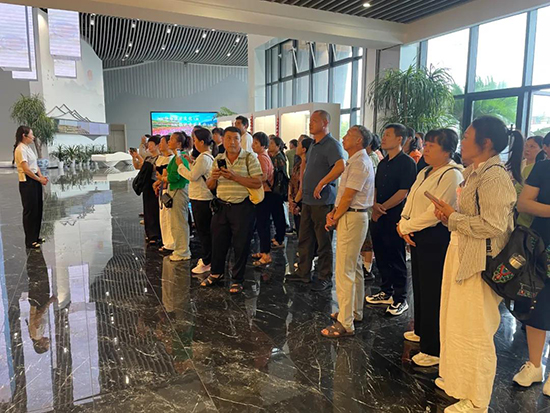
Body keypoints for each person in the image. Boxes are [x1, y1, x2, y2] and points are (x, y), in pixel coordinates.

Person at [432, 116, 523, 413]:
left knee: (476, 331)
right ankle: (459, 383)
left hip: (480, 264)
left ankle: (477, 400)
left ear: (486, 143)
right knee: (457, 324)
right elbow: (470, 218)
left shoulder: (494, 176)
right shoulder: (475, 172)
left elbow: (494, 225)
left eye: (467, 136)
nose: (463, 141)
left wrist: (454, 218)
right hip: (463, 254)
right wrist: (449, 218)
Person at [396, 129, 463, 367]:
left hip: (435, 236)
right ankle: (422, 331)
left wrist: (407, 226)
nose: (426, 149)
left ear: (447, 151)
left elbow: (434, 213)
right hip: (416, 233)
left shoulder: (452, 174)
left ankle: (433, 348)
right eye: (426, 145)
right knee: (420, 285)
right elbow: (411, 200)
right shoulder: (425, 170)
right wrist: (403, 222)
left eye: (432, 146)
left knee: (433, 290)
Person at [320, 126, 375, 338]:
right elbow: (345, 195)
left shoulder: (360, 162)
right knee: (355, 267)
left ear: (359, 140)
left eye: (348, 135)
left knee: (345, 270)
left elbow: (349, 196)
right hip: (351, 215)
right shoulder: (356, 160)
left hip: (352, 216)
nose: (343, 138)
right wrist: (334, 213)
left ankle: (346, 322)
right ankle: (353, 311)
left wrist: (334, 217)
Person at [286, 110, 345, 292]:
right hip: (308, 201)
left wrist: (323, 182)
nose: (310, 123)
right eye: (310, 120)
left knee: (323, 241)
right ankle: (303, 272)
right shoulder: (313, 145)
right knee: (305, 238)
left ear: (325, 123)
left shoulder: (332, 145)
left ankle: (324, 276)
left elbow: (340, 166)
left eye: (314, 120)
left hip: (323, 201)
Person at [202, 126, 263, 294]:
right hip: (221, 207)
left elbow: (258, 182)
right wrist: (214, 178)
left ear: (240, 140)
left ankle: (237, 279)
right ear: (223, 140)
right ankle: (216, 273)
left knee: (241, 244)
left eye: (236, 138)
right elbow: (209, 185)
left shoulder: (249, 157)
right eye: (228, 138)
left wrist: (234, 177)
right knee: (218, 242)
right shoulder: (218, 158)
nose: (232, 142)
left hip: (242, 208)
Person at [365, 123, 416, 316]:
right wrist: (374, 205)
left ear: (399, 139)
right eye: (383, 135)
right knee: (381, 255)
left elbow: (403, 192)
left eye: (388, 135)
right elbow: (376, 187)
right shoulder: (383, 162)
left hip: (394, 216)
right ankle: (386, 291)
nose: (383, 138)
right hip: (378, 215)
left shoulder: (407, 163)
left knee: (396, 257)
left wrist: (382, 208)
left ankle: (400, 298)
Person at [513, 159, 550, 397]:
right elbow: (523, 203)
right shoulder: (544, 167)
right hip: (541, 247)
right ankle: (535, 365)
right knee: (537, 304)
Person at [176, 128, 216, 274]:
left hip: (201, 199)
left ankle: (207, 261)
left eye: (195, 140)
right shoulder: (205, 157)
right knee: (204, 231)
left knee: (203, 232)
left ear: (202, 142)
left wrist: (180, 165)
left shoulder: (204, 158)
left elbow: (192, 176)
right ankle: (208, 259)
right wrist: (191, 161)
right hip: (201, 198)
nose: (193, 143)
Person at [14, 126, 48, 249]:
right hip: (27, 182)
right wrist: (39, 179)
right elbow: (26, 169)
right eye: (31, 135)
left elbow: (35, 165)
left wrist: (41, 176)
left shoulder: (28, 148)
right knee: (30, 211)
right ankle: (30, 241)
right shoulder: (20, 149)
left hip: (35, 179)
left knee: (37, 209)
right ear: (24, 136)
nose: (33, 137)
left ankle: (35, 236)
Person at [160, 132, 191, 261]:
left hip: (179, 191)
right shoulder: (177, 157)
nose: (169, 141)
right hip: (176, 191)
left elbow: (174, 177)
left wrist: (163, 178)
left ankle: (182, 251)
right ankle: (180, 249)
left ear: (178, 143)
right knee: (176, 222)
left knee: (179, 223)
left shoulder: (180, 157)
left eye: (171, 139)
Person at [131, 135, 163, 245]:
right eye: (148, 144)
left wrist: (139, 157)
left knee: (155, 210)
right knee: (148, 210)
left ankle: (156, 234)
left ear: (157, 145)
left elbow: (152, 167)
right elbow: (138, 166)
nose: (149, 146)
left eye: (151, 144)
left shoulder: (160, 158)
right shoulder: (148, 158)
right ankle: (150, 233)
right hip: (147, 186)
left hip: (155, 185)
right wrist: (134, 157)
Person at [360, 132, 381, 280]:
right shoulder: (370, 157)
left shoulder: (371, 158)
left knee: (367, 239)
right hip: (367, 205)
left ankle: (367, 268)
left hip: (367, 206)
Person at [251, 132, 275, 266]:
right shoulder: (263, 156)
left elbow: (264, 176)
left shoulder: (262, 158)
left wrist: (251, 180)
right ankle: (263, 251)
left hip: (265, 194)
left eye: (256, 143)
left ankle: (266, 255)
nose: (253, 145)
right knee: (262, 224)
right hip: (266, 194)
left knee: (263, 225)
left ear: (263, 145)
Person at [515, 135, 544, 227]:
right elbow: (517, 191)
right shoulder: (521, 165)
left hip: (534, 218)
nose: (527, 149)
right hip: (521, 216)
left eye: (532, 147)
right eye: (526, 146)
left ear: (542, 149)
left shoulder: (540, 169)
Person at [289, 136, 314, 237]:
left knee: (304, 232)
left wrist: (295, 202)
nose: (296, 147)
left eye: (299, 144)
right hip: (296, 199)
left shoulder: (308, 165)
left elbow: (303, 187)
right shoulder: (298, 163)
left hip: (302, 201)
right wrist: (291, 198)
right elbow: (292, 181)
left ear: (304, 149)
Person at [154, 135, 175, 253]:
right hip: (162, 188)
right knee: (163, 217)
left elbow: (166, 177)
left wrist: (160, 180)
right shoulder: (161, 158)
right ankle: (166, 241)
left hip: (168, 190)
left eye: (162, 142)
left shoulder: (172, 159)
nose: (160, 145)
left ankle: (171, 243)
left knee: (169, 217)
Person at [268, 136, 288, 249]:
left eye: (271, 144)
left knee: (278, 215)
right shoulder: (274, 156)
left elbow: (280, 175)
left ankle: (280, 238)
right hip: (274, 189)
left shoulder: (279, 158)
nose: (269, 145)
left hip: (277, 190)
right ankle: (278, 236)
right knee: (276, 214)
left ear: (278, 146)